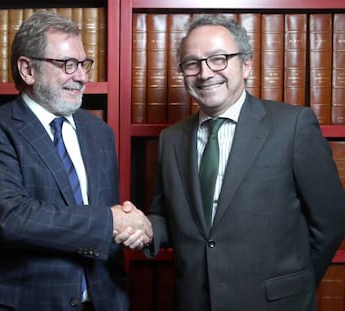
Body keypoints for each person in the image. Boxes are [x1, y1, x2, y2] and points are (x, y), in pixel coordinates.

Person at [139, 14, 345, 311]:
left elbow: (331, 221)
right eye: (192, 63)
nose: (205, 73)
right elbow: (165, 216)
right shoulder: (171, 139)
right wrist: (140, 226)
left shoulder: (293, 125)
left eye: (218, 59)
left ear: (246, 64)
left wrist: (293, 287)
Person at [0, 11, 151, 311]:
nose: (82, 76)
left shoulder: (100, 133)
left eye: (84, 64)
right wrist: (112, 221)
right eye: (68, 65)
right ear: (27, 70)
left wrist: (138, 229)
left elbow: (108, 229)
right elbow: (12, 218)